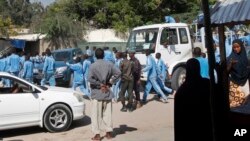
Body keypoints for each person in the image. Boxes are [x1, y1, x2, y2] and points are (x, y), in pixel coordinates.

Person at [174, 58, 213, 141]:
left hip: (188, 133)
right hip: (205, 129)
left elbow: (178, 121)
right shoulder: (207, 84)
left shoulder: (182, 91)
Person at [88, 48, 121, 141]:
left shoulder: (92, 66)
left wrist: (99, 84)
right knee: (108, 114)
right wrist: (109, 83)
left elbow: (90, 79)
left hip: (97, 93)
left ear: (95, 56)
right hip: (107, 92)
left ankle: (97, 135)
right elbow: (118, 73)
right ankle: (109, 133)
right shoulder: (109, 64)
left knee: (96, 115)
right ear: (103, 55)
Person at [227, 39, 249, 108]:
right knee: (235, 105)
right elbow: (226, 71)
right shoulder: (230, 58)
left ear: (241, 47)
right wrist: (231, 64)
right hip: (234, 84)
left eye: (238, 47)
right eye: (234, 47)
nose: (236, 49)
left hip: (245, 83)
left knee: (246, 104)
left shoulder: (246, 58)